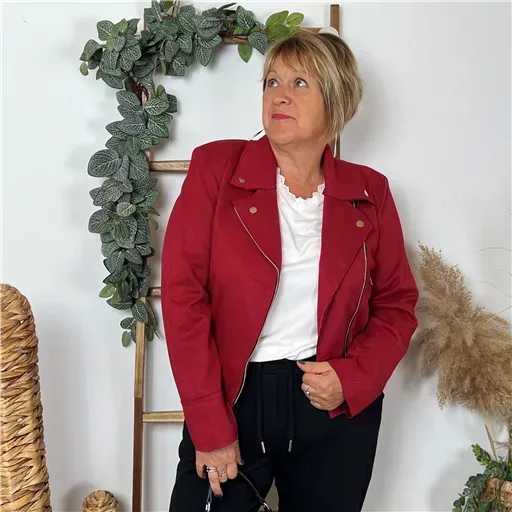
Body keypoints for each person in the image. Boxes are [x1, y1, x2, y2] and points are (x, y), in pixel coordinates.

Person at [161, 28, 418, 512]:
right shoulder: (216, 168)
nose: (279, 95)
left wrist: (352, 378)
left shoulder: (370, 191)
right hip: (234, 399)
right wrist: (209, 425)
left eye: (300, 83)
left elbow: (397, 304)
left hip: (332, 407)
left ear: (336, 101)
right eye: (271, 82)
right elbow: (183, 297)